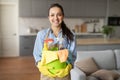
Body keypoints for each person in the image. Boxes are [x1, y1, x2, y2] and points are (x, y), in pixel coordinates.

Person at [33, 3, 76, 80]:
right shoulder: (41, 35)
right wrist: (43, 68)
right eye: (52, 15)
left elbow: (72, 55)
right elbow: (37, 55)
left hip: (63, 74)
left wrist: (68, 67)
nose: (56, 18)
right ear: (49, 17)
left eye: (59, 15)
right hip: (47, 74)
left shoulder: (70, 35)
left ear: (63, 16)